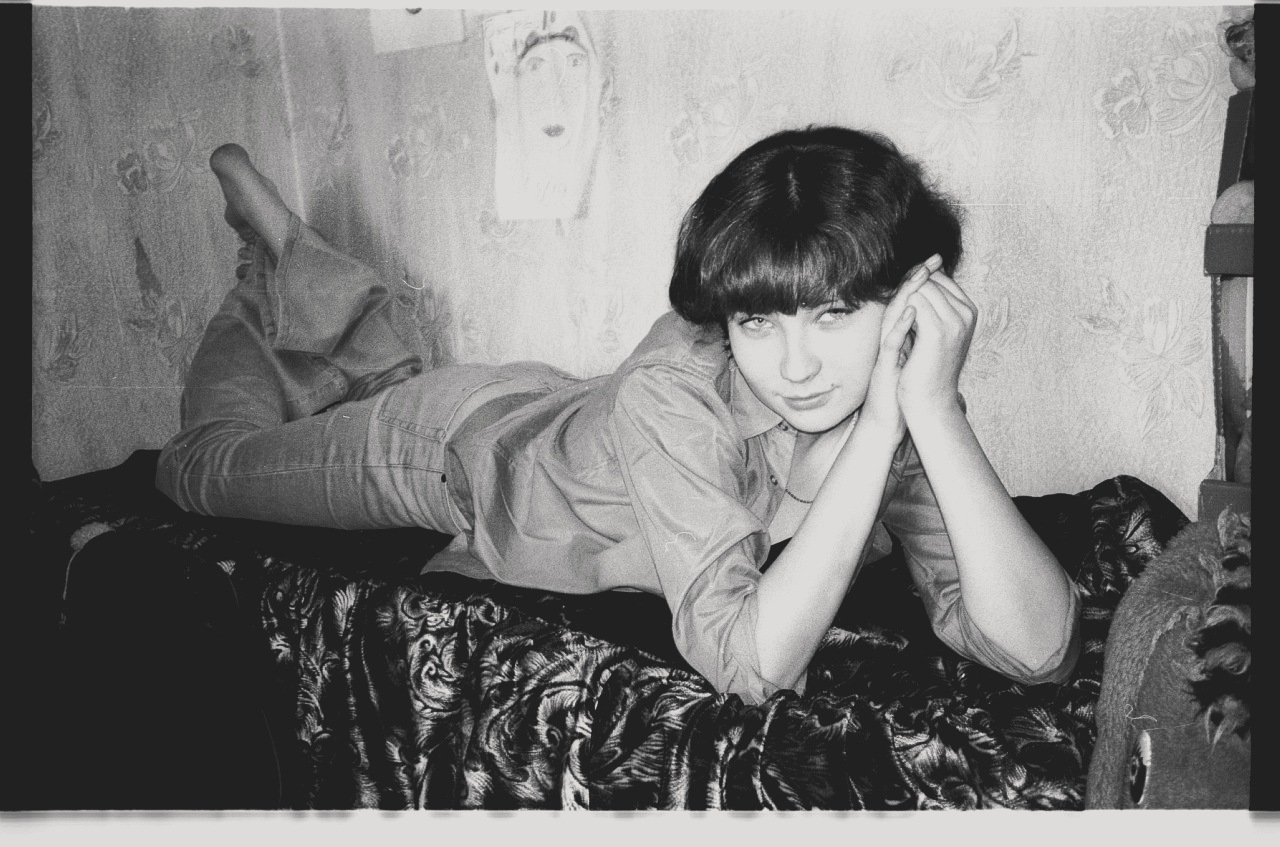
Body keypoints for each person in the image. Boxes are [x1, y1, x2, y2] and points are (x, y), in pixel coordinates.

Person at [157, 126, 1080, 705]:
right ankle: (267, 258)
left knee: (366, 388)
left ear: (911, 299)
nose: (796, 367)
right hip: (452, 447)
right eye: (758, 320)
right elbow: (748, 662)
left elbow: (1039, 651)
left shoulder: (902, 395)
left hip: (564, 410)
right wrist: (878, 427)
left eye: (834, 314)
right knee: (199, 470)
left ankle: (320, 294)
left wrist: (934, 411)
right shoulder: (675, 389)